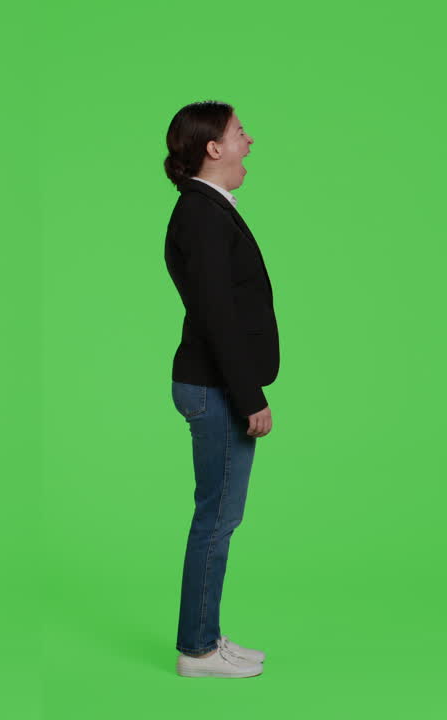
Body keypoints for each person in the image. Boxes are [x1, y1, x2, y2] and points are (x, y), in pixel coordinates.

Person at [163, 101, 277, 678]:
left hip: (212, 383)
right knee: (216, 518)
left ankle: (204, 636)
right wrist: (249, 394)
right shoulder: (204, 215)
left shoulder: (208, 209)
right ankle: (198, 651)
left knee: (217, 516)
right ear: (213, 148)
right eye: (239, 132)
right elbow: (216, 315)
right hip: (216, 387)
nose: (248, 140)